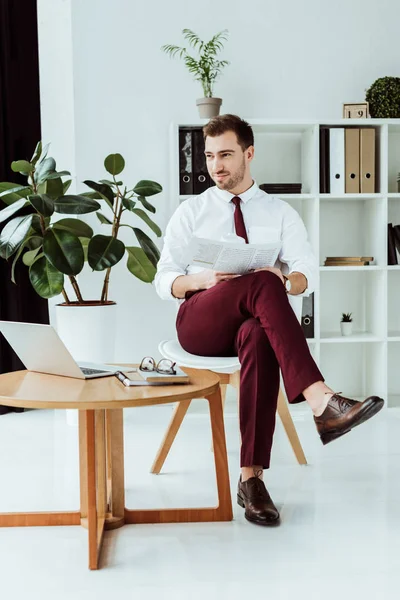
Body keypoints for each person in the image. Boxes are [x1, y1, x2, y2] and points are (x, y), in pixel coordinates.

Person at [154, 114, 384, 527]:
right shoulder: (191, 211)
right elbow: (162, 279)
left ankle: (251, 480)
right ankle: (320, 400)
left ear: (249, 154)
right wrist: (201, 280)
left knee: (260, 331)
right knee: (261, 281)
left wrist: (286, 281)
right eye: (209, 156)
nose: (216, 166)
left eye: (226, 155)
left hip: (250, 323)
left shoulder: (280, 212)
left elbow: (306, 273)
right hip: (200, 321)